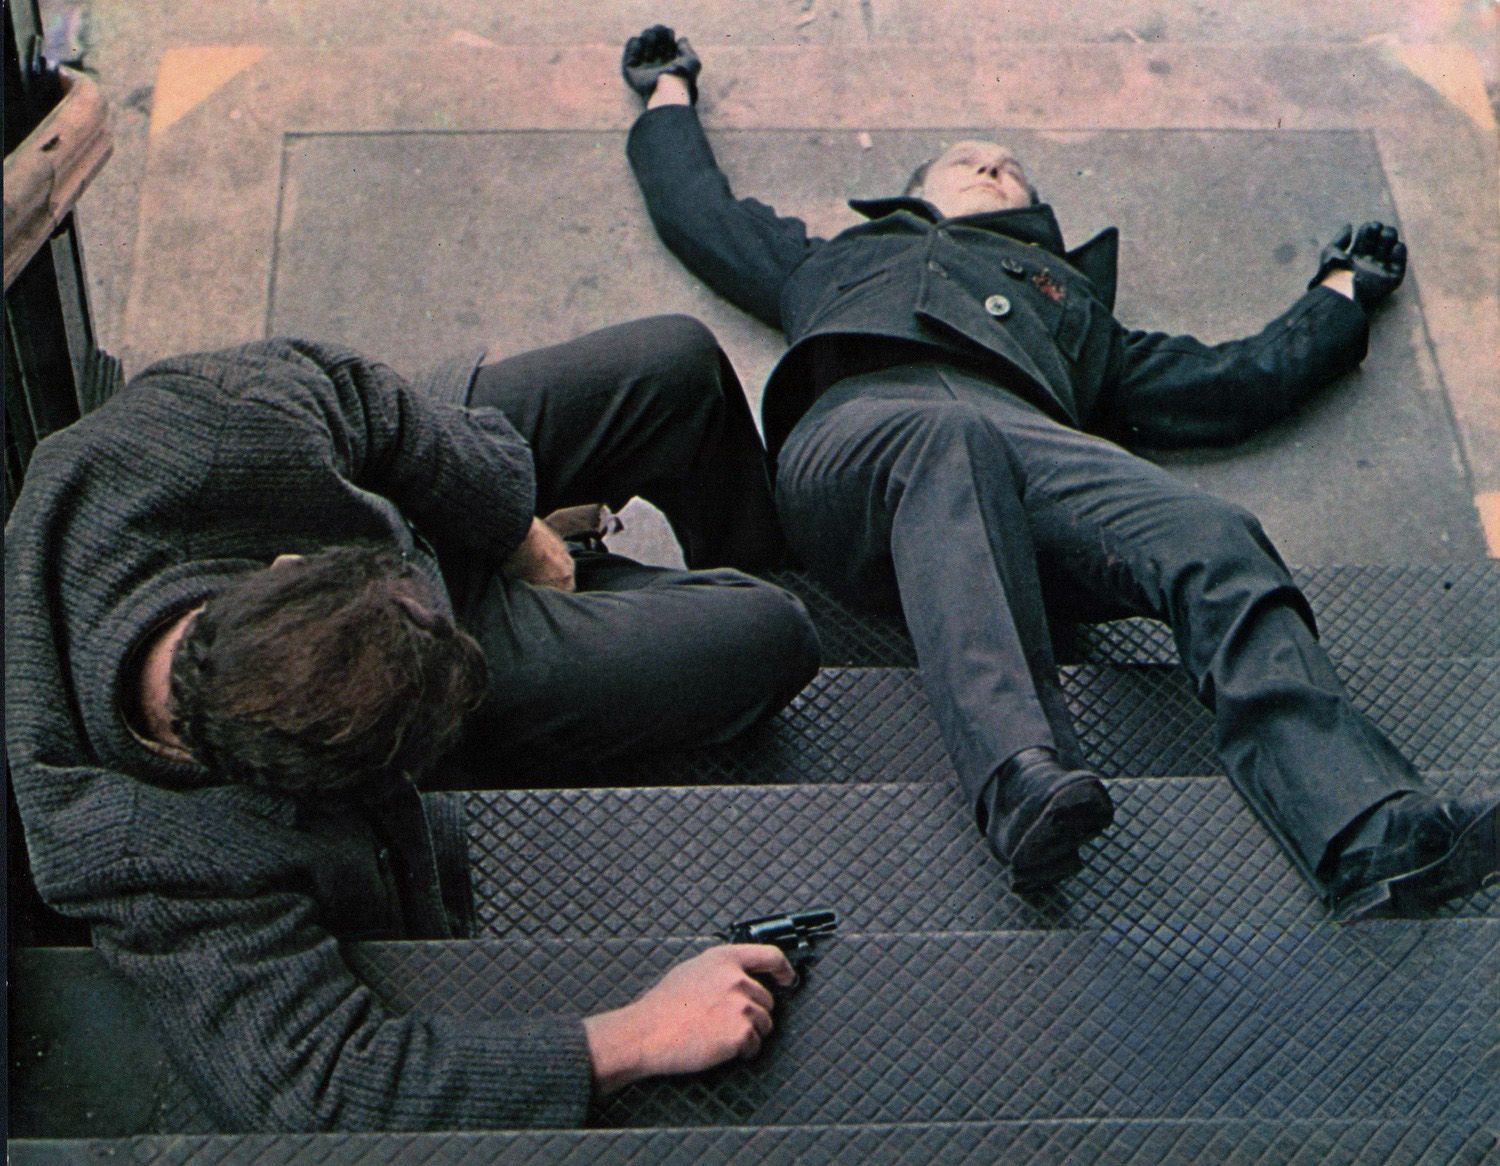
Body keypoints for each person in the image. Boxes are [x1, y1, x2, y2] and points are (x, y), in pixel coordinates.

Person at [618, 26, 1499, 916]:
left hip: (1031, 448)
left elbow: (1233, 383)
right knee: (948, 442)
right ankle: (1019, 777)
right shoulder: (839, 257)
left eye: (1010, 169)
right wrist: (668, 92)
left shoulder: (1073, 307)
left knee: (1210, 532)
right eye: (967, 160)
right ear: (913, 193)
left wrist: (1342, 293)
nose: (992, 166)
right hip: (861, 438)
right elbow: (700, 211)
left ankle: (1366, 832)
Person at [4, 316, 821, 1130]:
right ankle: (604, 580)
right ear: (318, 791)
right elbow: (317, 1088)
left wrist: (511, 526)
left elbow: (358, 397)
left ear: (285, 568)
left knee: (678, 369)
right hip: (426, 651)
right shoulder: (143, 854)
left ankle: (618, 556)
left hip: (407, 521)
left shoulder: (186, 439)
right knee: (769, 634)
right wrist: (632, 1038)